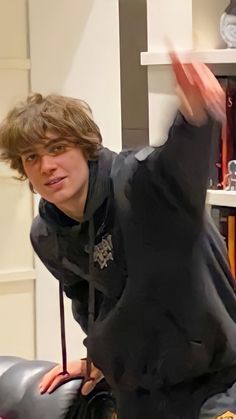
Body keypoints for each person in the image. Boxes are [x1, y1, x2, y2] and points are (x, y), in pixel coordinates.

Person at [0, 51, 235, 419]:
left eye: (58, 149)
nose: (46, 166)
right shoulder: (47, 233)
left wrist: (195, 119)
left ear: (86, 146)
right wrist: (98, 357)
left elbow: (177, 169)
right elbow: (86, 303)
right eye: (31, 157)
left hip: (215, 383)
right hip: (139, 395)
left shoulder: (139, 185)